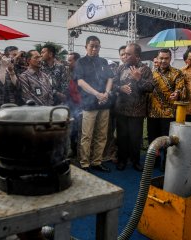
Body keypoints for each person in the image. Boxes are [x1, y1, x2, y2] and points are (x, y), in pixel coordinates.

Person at [74, 35, 113, 172]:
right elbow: (80, 82)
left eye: (97, 46)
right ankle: (85, 163)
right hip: (89, 103)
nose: (95, 49)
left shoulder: (103, 61)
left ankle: (97, 161)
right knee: (87, 134)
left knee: (102, 135)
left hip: (104, 103)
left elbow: (110, 78)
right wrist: (97, 94)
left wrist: (106, 93)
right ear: (86, 47)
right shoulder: (80, 62)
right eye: (92, 46)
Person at [113, 43, 154, 171]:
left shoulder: (145, 69)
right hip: (121, 109)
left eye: (128, 54)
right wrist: (120, 88)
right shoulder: (120, 68)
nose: (125, 56)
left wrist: (138, 79)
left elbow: (150, 88)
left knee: (135, 138)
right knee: (122, 137)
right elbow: (112, 85)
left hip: (137, 111)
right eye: (124, 53)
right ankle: (122, 160)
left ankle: (136, 161)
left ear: (137, 56)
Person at [148, 49, 186, 166]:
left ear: (170, 59)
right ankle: (154, 160)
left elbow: (181, 88)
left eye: (166, 58)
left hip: (168, 113)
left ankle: (166, 162)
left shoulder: (177, 73)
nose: (163, 61)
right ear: (157, 58)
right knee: (153, 138)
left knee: (166, 139)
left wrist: (177, 93)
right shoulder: (151, 73)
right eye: (161, 58)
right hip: (152, 112)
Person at [66, 52, 81, 158]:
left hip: (82, 106)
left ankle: (82, 152)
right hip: (72, 106)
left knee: (82, 131)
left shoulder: (83, 73)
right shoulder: (67, 73)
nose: (68, 63)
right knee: (73, 130)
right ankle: (73, 149)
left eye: (70, 60)